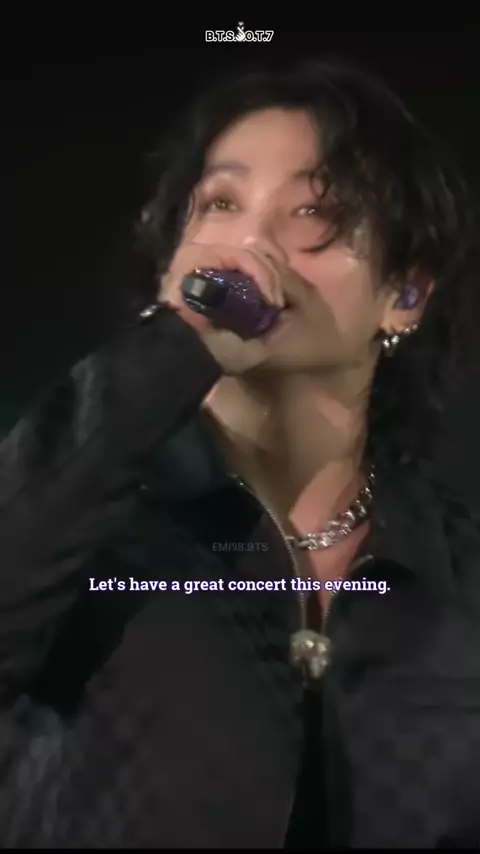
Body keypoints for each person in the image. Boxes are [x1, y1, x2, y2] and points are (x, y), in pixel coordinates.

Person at [1, 56, 480, 849]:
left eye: (317, 211)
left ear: (405, 295)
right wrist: (173, 351)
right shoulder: (84, 520)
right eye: (221, 204)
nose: (251, 242)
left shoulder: (456, 568)